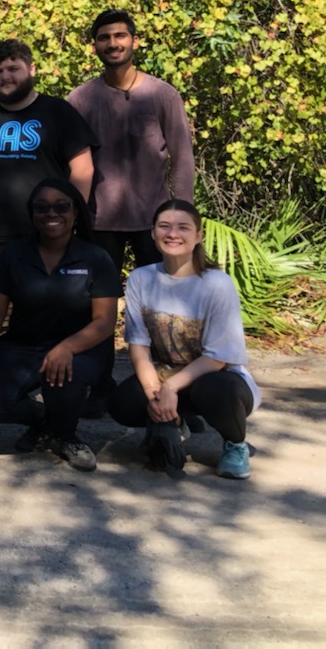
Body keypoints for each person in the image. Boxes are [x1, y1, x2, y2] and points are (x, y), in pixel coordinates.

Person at [67, 10, 197, 411]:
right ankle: (99, 383)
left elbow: (183, 156)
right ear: (95, 46)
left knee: (166, 309)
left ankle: (172, 388)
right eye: (104, 37)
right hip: (99, 221)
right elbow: (68, 159)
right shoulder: (81, 98)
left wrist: (183, 215)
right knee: (97, 308)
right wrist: (73, 214)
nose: (113, 44)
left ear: (135, 41)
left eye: (120, 36)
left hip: (154, 223)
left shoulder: (161, 94)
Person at [0, 178, 120, 472]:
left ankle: (66, 436)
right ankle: (45, 423)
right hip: (22, 347)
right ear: (32, 214)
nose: (52, 213)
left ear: (75, 212)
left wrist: (66, 347)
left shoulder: (95, 258)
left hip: (81, 350)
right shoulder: (14, 254)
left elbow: (105, 323)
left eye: (61, 207)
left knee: (64, 379)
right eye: (42, 208)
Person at [108, 200, 260, 479]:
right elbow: (138, 347)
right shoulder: (141, 279)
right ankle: (176, 420)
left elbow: (217, 358)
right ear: (153, 233)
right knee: (122, 403)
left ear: (198, 235)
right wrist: (156, 392)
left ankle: (235, 444)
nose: (172, 234)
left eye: (183, 228)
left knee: (215, 389)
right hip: (166, 372)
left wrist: (170, 389)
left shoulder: (217, 283)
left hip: (220, 378)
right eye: (164, 226)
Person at [0, 39, 96, 318]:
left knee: (44, 319)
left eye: (13, 68)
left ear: (31, 70)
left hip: (47, 238)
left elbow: (83, 168)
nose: (6, 76)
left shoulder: (58, 112)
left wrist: (73, 221)